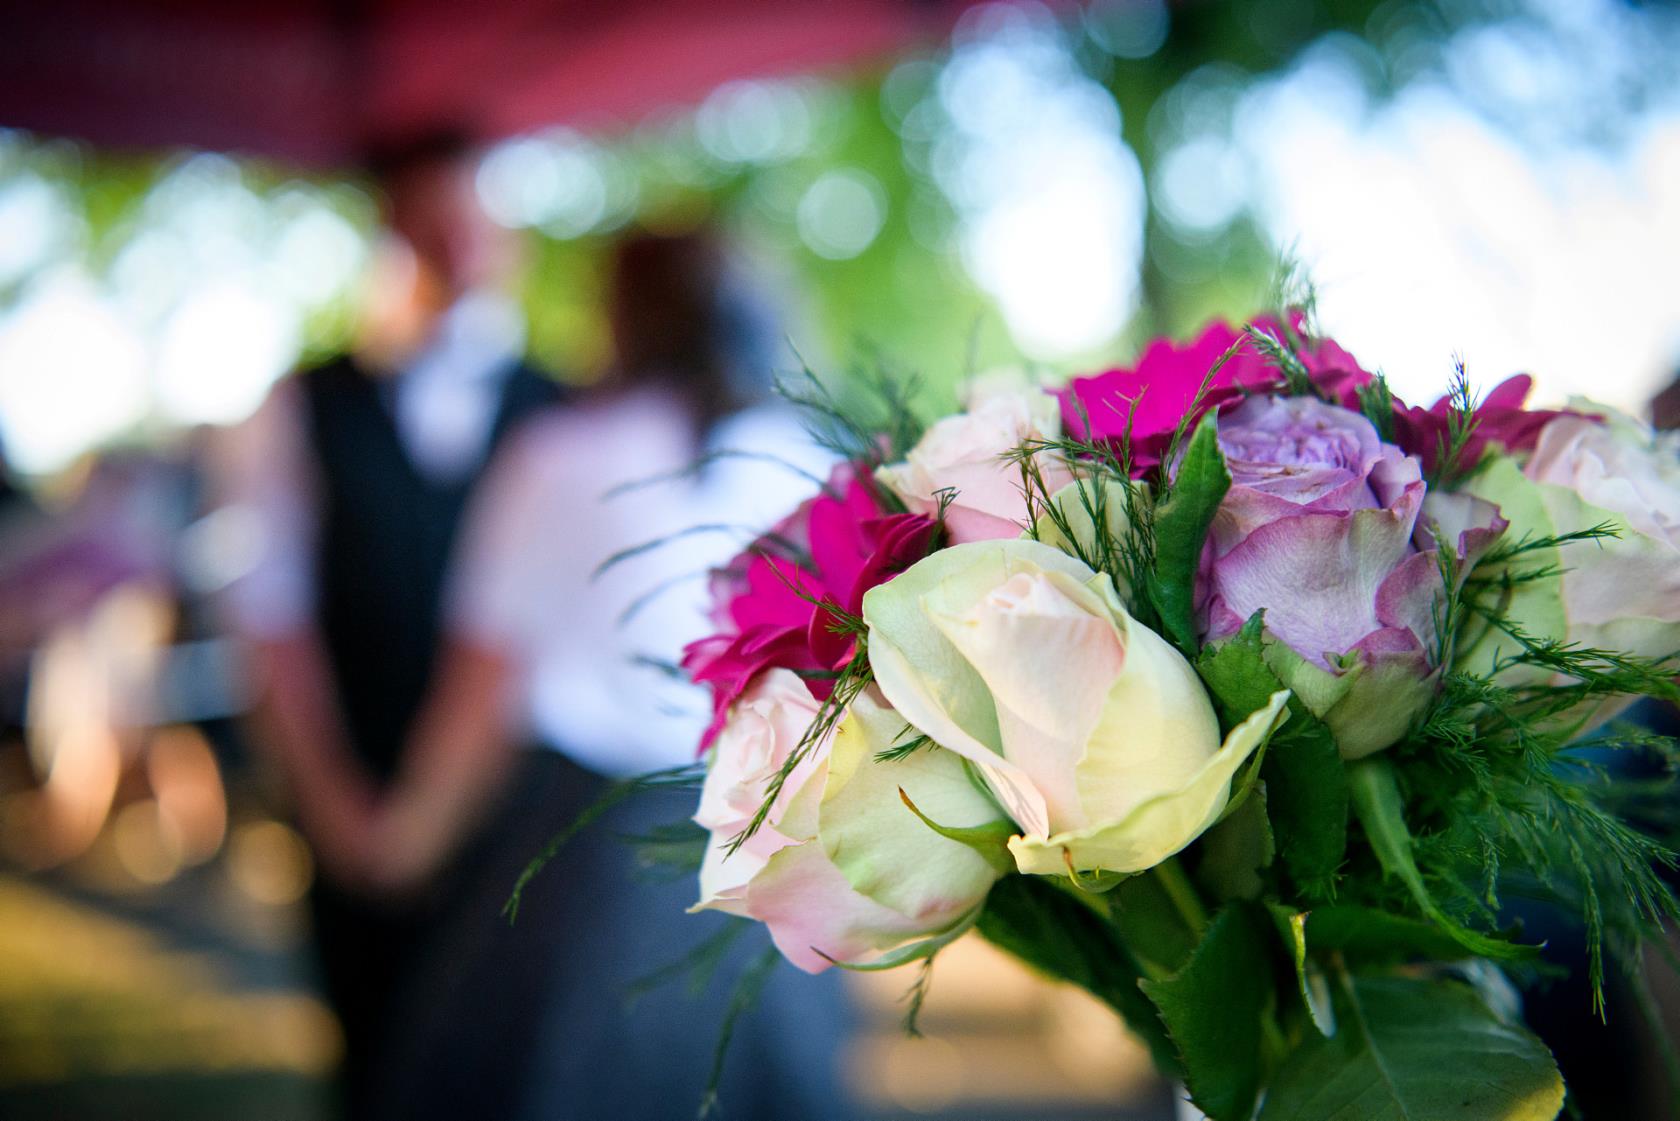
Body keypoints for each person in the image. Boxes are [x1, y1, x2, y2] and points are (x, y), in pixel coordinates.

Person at [216, 131, 595, 1120]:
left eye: (476, 223)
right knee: (382, 1063)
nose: (462, 248)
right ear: (388, 233)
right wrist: (334, 805)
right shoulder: (300, 405)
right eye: (433, 225)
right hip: (352, 790)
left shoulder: (570, 411)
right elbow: (272, 617)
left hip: (523, 814)